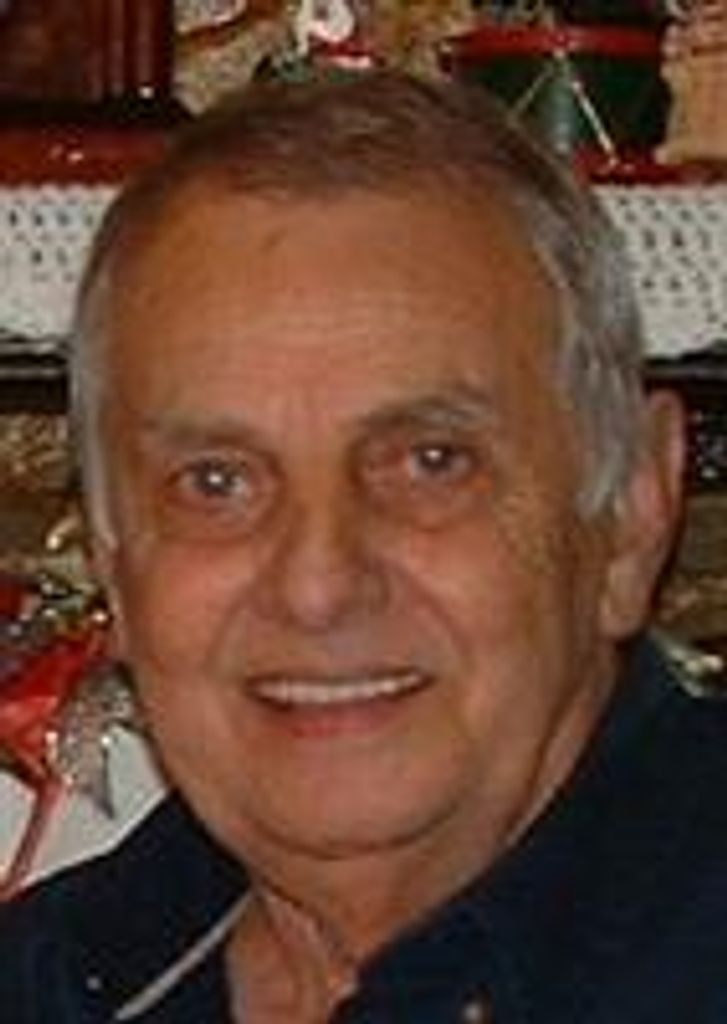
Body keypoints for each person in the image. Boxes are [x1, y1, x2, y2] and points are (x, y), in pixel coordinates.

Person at [1, 68, 725, 1023]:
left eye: (430, 462)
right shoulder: (53, 980)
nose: (317, 584)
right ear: (114, 558)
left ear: (630, 510)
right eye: (216, 482)